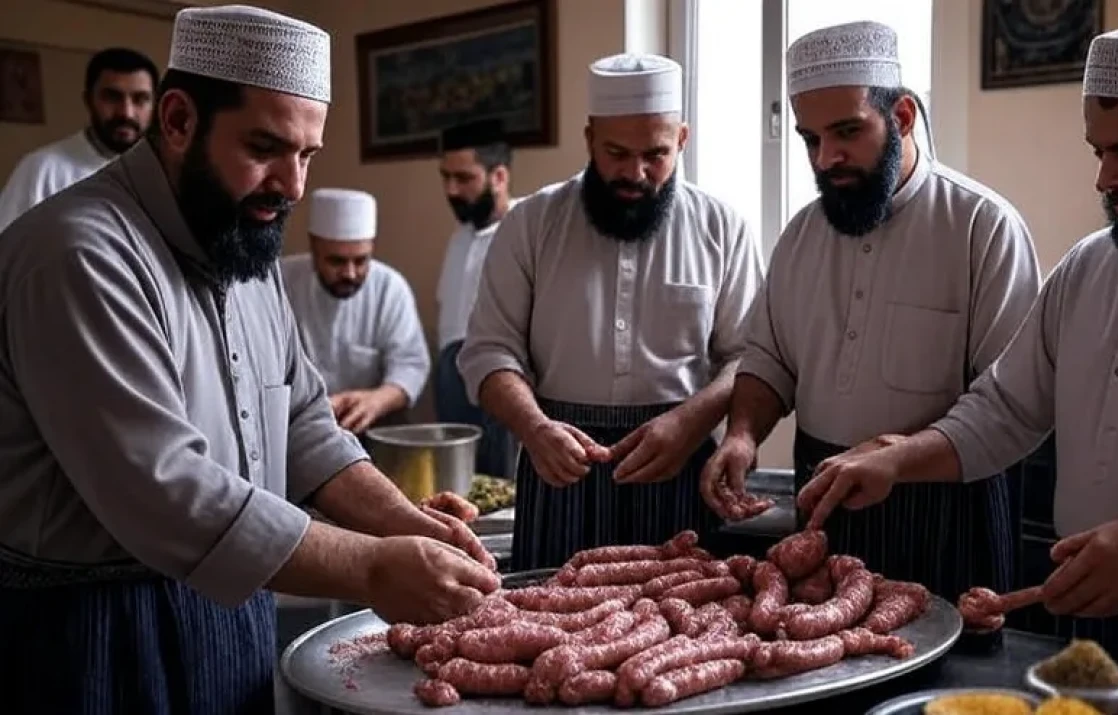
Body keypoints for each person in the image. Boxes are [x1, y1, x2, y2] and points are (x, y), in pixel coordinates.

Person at [0, 6, 498, 713]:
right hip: (94, 632)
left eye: (307, 154)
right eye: (266, 146)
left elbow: (301, 419)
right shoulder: (80, 255)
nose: (292, 184)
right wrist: (374, 566)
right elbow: (165, 491)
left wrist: (399, 519)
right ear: (176, 120)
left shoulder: (240, 240)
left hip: (232, 606)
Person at [795, 18, 1118, 669]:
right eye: (1097, 151)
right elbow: (1004, 411)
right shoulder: (1088, 267)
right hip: (1083, 626)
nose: (1105, 179)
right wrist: (898, 459)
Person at [701, 21, 1041, 601]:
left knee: (947, 686)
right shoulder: (802, 234)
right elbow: (771, 358)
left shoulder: (983, 227)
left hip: (944, 511)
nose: (826, 157)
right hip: (824, 508)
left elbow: (1008, 404)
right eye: (810, 139)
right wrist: (741, 434)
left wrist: (899, 458)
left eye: (847, 132)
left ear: (903, 116)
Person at [458, 53, 766, 571]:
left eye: (656, 154)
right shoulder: (531, 225)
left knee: (680, 638)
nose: (635, 172)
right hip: (557, 466)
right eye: (616, 152)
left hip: (678, 467)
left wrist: (692, 421)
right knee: (553, 636)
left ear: (682, 140)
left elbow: (751, 358)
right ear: (589, 138)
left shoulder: (722, 228)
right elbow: (489, 351)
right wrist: (533, 427)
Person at [282, 188, 430, 435]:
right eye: (336, 261)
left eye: (361, 261)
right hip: (295, 429)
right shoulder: (281, 282)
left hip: (370, 429)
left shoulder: (389, 288)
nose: (350, 273)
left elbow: (411, 364)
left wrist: (377, 400)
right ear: (314, 247)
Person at [435, 119, 518, 477]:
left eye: (464, 178)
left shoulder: (523, 232)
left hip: (502, 392)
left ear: (498, 176)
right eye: (446, 176)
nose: (451, 190)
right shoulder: (460, 237)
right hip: (453, 390)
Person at [0, 47, 158, 231]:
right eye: (112, 97)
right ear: (88, 100)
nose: (126, 113)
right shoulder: (41, 170)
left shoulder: (165, 176)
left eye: (140, 99)